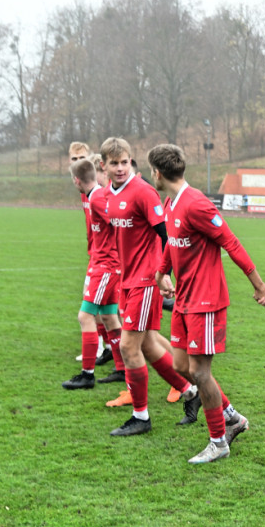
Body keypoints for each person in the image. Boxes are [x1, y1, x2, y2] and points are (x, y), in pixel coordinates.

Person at [149, 144, 265, 463]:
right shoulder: (170, 202)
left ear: (158, 173)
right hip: (184, 300)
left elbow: (230, 242)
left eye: (151, 171)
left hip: (206, 300)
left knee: (200, 372)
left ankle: (218, 441)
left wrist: (259, 285)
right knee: (180, 366)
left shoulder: (197, 204)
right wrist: (163, 271)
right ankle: (232, 417)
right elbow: (172, 243)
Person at [101, 137, 202, 436]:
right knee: (146, 344)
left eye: (125, 162)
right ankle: (190, 391)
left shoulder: (143, 192)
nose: (120, 168)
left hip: (147, 279)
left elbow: (166, 235)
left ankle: (141, 417)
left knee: (128, 345)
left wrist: (165, 273)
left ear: (131, 162)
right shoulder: (108, 194)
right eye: (114, 163)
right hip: (127, 279)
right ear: (104, 166)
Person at [61, 156, 126, 390]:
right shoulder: (93, 195)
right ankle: (122, 368)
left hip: (107, 266)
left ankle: (87, 375)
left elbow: (119, 222)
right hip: (104, 264)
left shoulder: (97, 197)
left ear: (76, 180)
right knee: (108, 317)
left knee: (85, 316)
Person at [68, 141, 108, 364]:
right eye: (73, 159)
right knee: (106, 309)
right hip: (95, 254)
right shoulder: (84, 191)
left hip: (105, 258)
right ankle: (108, 348)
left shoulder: (98, 192)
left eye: (81, 159)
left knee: (91, 307)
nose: (77, 163)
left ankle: (98, 352)